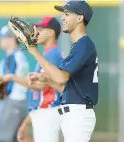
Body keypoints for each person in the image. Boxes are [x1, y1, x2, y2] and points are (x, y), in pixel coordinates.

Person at [26, 1, 98, 142]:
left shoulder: (83, 44)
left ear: (79, 18)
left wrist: (34, 51)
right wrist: (46, 80)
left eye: (67, 14)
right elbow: (65, 87)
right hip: (74, 114)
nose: (63, 18)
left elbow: (61, 78)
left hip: (78, 114)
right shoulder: (79, 46)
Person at [3, 17, 64, 142]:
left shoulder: (53, 54)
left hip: (48, 112)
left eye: (41, 29)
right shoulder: (47, 54)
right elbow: (39, 96)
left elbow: (41, 86)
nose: (37, 32)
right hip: (43, 112)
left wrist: (12, 77)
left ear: (52, 33)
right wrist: (26, 122)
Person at [0, 25, 29, 142]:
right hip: (18, 101)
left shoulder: (13, 57)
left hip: (11, 101)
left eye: (3, 37)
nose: (0, 40)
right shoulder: (17, 56)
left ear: (12, 38)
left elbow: (8, 84)